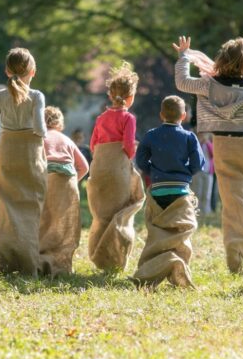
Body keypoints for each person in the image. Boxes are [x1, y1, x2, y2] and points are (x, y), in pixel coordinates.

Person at [173, 35, 243, 273]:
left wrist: (183, 57)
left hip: (223, 144)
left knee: (232, 200)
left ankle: (235, 252)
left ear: (222, 59)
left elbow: (183, 83)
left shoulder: (211, 85)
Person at [0, 48, 48, 276]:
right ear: (33, 72)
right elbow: (40, 128)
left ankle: (6, 260)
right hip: (30, 154)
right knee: (31, 205)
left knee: (7, 206)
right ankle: (30, 262)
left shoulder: (1, 96)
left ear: (6, 71)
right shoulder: (37, 96)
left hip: (7, 152)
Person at [132, 95, 206, 288]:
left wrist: (154, 172)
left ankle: (151, 270)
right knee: (180, 233)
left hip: (158, 191)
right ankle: (178, 270)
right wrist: (185, 174)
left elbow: (140, 161)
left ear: (161, 115)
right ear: (184, 116)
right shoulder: (189, 137)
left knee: (159, 232)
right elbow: (199, 164)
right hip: (181, 192)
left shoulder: (151, 135)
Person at [87, 63, 145, 272]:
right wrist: (132, 152)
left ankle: (98, 254)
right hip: (118, 171)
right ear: (131, 97)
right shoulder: (128, 118)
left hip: (100, 169)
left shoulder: (101, 118)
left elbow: (93, 145)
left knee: (102, 215)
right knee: (120, 214)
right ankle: (115, 259)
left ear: (110, 95)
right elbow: (128, 145)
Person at [39, 106, 89, 275]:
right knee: (65, 223)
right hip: (68, 181)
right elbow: (84, 167)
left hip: (47, 177)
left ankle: (41, 257)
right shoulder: (67, 139)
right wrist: (73, 182)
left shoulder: (39, 137)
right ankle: (61, 262)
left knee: (44, 218)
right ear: (60, 122)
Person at [190, 129, 214, 214]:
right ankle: (196, 211)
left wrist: (207, 143)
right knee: (197, 192)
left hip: (208, 172)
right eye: (201, 134)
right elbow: (194, 154)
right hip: (198, 172)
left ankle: (206, 211)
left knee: (207, 194)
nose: (203, 136)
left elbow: (213, 154)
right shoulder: (196, 143)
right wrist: (200, 142)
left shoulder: (209, 144)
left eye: (205, 134)